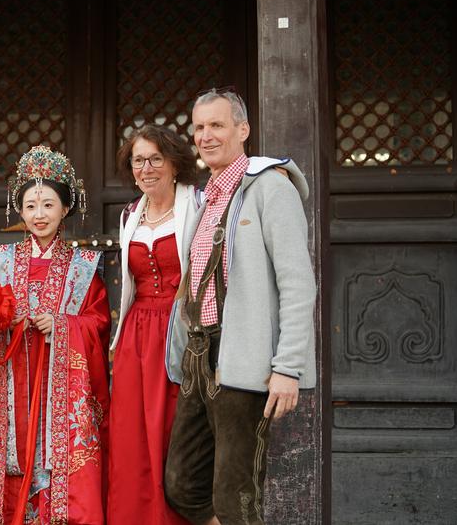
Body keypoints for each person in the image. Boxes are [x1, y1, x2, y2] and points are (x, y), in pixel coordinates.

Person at [163, 88, 317, 525]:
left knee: (237, 496)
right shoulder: (206, 196)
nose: (206, 135)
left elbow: (297, 283)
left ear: (243, 130)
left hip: (243, 360)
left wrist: (287, 367)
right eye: (199, 127)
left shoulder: (272, 188)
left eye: (217, 125)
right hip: (198, 356)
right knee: (182, 485)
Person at [0, 145, 111, 525]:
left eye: (49, 205)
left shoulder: (83, 268)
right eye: (31, 206)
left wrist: (64, 325)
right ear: (19, 210)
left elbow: (98, 322)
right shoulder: (0, 262)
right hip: (8, 383)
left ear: (65, 208)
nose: (39, 215)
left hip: (58, 389)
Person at [107, 124, 199, 525]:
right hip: (135, 334)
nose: (145, 168)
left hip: (177, 331)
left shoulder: (197, 204)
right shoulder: (130, 215)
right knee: (130, 436)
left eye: (154, 159)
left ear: (175, 163)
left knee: (170, 432)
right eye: (137, 161)